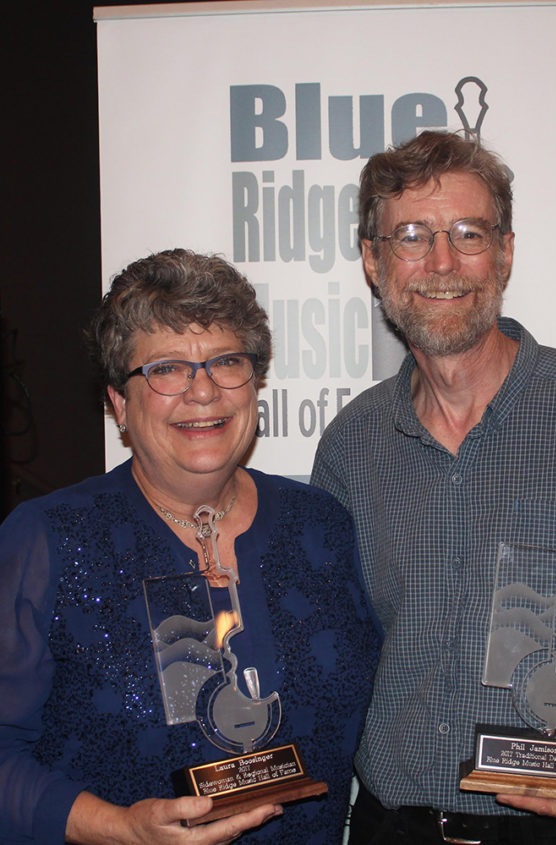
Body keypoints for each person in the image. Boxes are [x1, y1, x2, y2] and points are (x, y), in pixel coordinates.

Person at [311, 130, 556, 844]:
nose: (442, 261)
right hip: (391, 829)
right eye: (411, 236)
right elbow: (327, 653)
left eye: (468, 232)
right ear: (373, 262)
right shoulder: (350, 446)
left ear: (507, 251)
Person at [0, 249, 379, 845]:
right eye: (168, 369)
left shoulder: (322, 527)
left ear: (254, 383)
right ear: (119, 403)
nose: (202, 392)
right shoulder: (47, 538)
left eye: (226, 361)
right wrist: (120, 828)